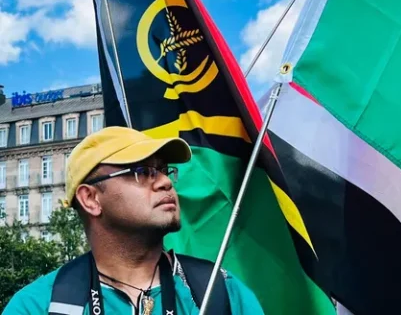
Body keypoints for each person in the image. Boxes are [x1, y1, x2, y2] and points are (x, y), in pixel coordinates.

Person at [3, 126, 264, 315]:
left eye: (164, 170)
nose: (165, 182)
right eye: (142, 171)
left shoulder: (221, 292)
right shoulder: (37, 306)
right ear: (90, 199)